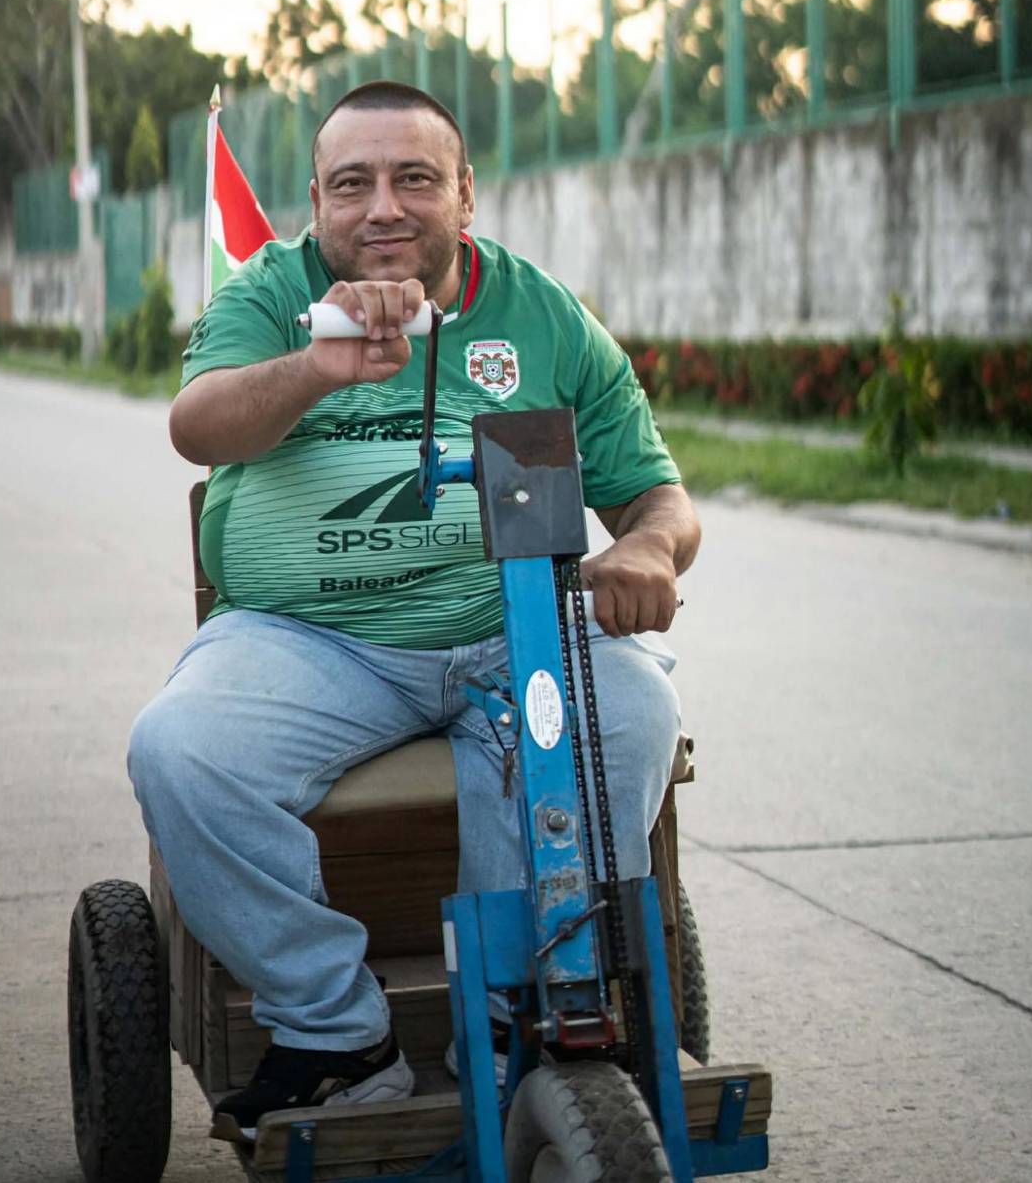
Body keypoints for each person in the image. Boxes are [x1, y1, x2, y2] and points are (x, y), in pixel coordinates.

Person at [128, 80, 700, 1140]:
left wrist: (649, 546)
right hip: (308, 642)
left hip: (513, 629)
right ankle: (339, 1035)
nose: (383, 207)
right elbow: (198, 426)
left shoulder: (541, 314)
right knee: (180, 751)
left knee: (630, 712)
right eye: (353, 185)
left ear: (465, 195)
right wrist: (316, 366)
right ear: (316, 202)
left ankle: (510, 1016)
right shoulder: (268, 292)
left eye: (414, 179)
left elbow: (655, 494)